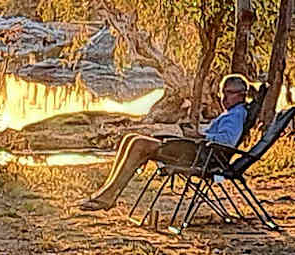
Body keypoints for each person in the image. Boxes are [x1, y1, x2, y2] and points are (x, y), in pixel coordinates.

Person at [77, 74, 258, 211]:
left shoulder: (236, 115)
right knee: (130, 138)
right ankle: (107, 192)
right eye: (222, 93)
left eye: (229, 93)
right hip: (200, 151)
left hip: (203, 157)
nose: (223, 98)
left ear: (241, 95)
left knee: (139, 143)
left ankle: (107, 195)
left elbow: (225, 141)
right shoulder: (231, 113)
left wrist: (199, 136)